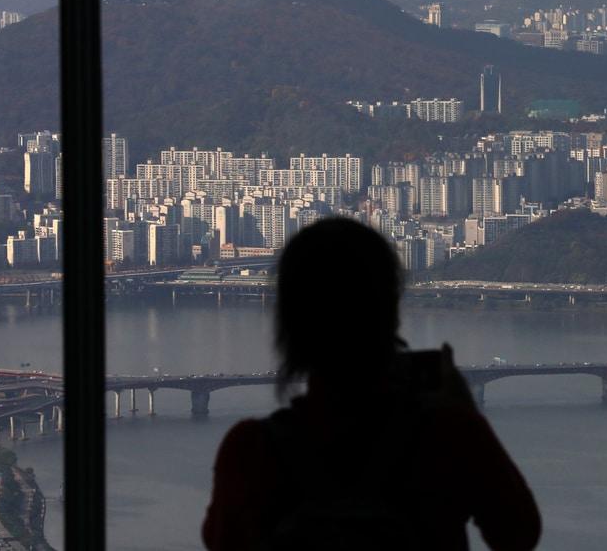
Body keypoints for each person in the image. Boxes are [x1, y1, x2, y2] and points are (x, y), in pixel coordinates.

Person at [202, 217, 541, 551]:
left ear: (289, 324)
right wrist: (466, 413)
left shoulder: (250, 453)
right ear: (391, 309)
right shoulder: (449, 437)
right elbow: (519, 534)